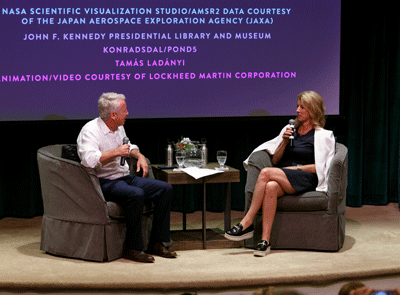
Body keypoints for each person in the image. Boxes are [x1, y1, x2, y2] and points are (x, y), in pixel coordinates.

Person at [224, 91, 335, 257]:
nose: (297, 110)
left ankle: (247, 222)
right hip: (283, 176)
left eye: (302, 107)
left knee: (266, 173)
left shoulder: (323, 136)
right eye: (297, 106)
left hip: (306, 178)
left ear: (312, 110)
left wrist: (296, 169)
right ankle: (265, 241)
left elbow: (324, 167)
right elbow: (275, 160)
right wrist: (283, 141)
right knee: (270, 186)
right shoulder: (290, 130)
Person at [77, 92, 176, 263]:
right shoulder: (90, 131)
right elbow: (88, 160)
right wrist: (115, 152)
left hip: (123, 177)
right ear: (113, 115)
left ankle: (158, 243)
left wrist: (140, 156)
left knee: (164, 189)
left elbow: (129, 146)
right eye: (125, 110)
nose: (128, 113)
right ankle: (133, 248)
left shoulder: (118, 127)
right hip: (103, 181)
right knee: (135, 194)